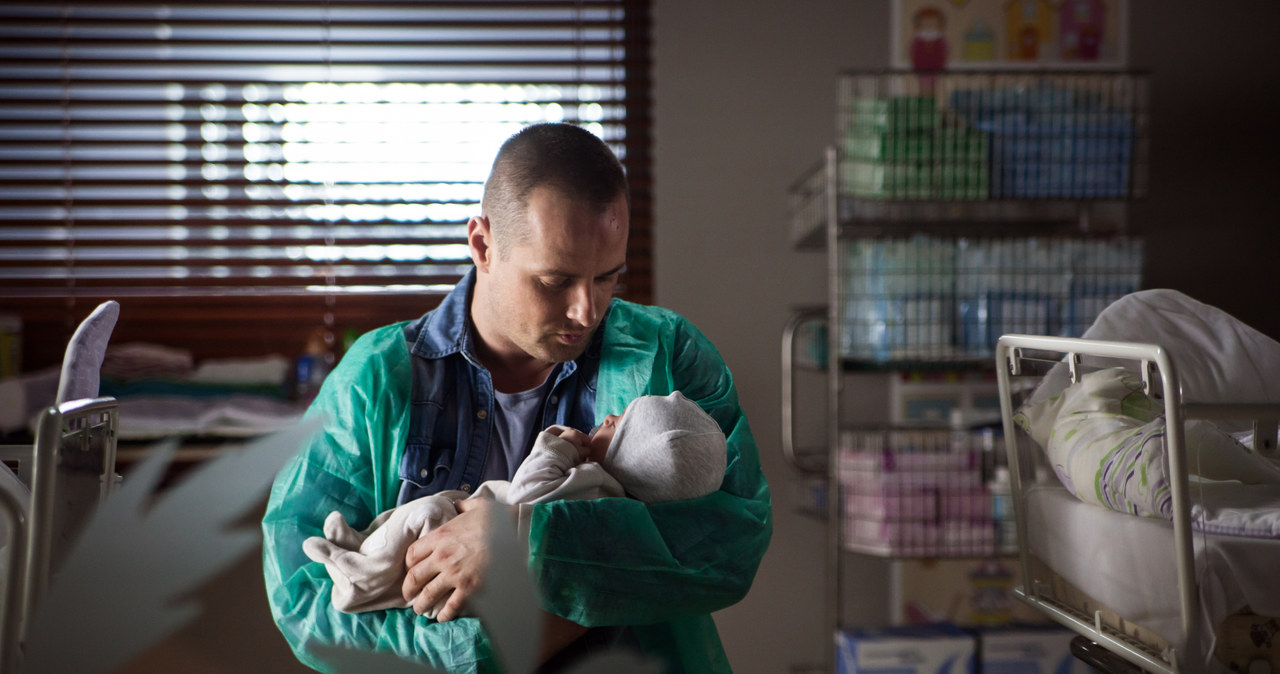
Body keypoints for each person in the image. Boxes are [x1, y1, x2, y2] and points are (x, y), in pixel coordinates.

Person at [261, 122, 772, 673]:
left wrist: (531, 542)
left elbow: (729, 541)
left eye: (607, 278)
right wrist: (485, 650)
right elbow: (304, 596)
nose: (587, 311)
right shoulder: (377, 379)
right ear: (482, 244)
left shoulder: (668, 354)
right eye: (555, 281)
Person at [302, 391, 727, 617]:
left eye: (620, 427)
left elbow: (528, 499)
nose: (610, 417)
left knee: (426, 514)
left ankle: (359, 577)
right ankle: (363, 543)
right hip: (463, 516)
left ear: (629, 463)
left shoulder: (593, 486)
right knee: (423, 511)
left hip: (451, 543)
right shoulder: (603, 494)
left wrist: (555, 448)